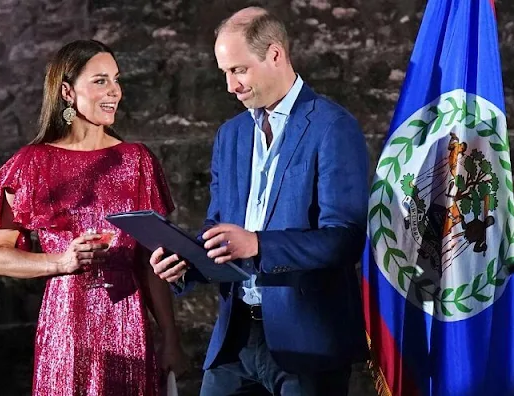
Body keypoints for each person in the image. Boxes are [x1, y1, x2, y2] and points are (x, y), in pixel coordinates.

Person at [149, 7, 369, 396]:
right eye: (225, 73)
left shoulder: (333, 126)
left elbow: (345, 239)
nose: (230, 85)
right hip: (235, 341)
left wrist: (258, 244)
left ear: (275, 54)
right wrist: (186, 263)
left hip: (308, 348)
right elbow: (219, 230)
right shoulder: (230, 136)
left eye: (239, 70)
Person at [0, 39, 186, 396]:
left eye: (116, 79)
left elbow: (150, 261)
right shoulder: (31, 164)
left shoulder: (137, 161)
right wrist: (60, 262)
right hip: (65, 328)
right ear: (66, 91)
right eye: (100, 80)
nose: (114, 91)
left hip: (128, 325)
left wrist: (170, 338)